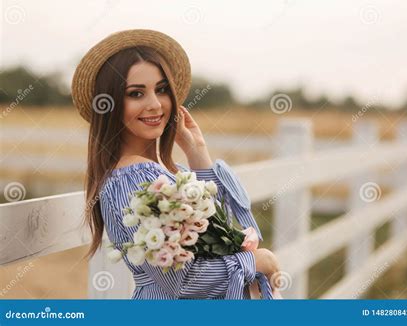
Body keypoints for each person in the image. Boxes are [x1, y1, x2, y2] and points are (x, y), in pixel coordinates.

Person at [71, 29, 281, 299]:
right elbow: (183, 283)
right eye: (136, 94)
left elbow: (224, 236)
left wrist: (198, 153)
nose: (155, 104)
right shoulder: (134, 179)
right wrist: (258, 262)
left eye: (161, 90)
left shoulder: (166, 174)